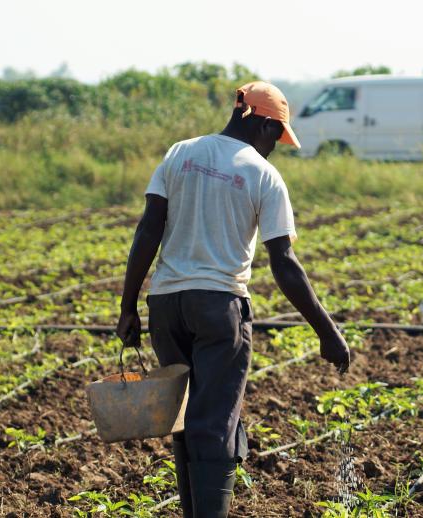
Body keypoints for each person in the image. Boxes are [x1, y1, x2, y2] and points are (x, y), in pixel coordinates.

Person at [116, 81, 350, 517]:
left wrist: (128, 305)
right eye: (276, 136)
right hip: (218, 308)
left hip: (166, 307)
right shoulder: (262, 175)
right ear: (261, 123)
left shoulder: (180, 152)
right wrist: (327, 329)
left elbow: (148, 229)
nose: (275, 148)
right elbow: (284, 262)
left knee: (186, 419)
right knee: (216, 422)